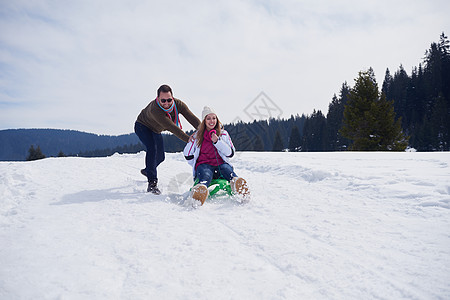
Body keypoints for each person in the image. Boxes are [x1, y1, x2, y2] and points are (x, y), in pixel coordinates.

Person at [135, 84, 201, 194]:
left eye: (169, 100)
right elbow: (172, 127)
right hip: (142, 127)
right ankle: (152, 183)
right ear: (158, 99)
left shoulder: (178, 104)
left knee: (161, 157)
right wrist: (189, 139)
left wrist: (203, 130)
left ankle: (149, 170)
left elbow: (191, 117)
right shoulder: (155, 110)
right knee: (152, 149)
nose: (166, 103)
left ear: (173, 98)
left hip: (156, 130)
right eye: (163, 100)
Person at [183, 106, 249, 205]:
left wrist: (217, 142)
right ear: (204, 121)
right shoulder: (197, 136)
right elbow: (187, 154)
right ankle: (201, 189)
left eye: (214, 118)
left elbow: (230, 153)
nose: (211, 121)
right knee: (205, 174)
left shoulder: (223, 134)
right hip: (204, 164)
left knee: (227, 169)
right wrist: (191, 143)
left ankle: (237, 183)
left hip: (220, 165)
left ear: (217, 119)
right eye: (208, 118)